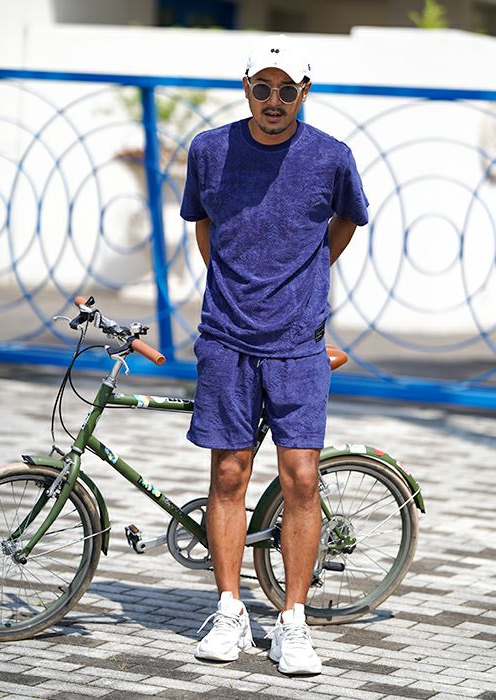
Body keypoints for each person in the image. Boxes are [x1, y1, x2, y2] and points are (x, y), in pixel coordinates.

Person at [180, 33, 369, 675]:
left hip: (297, 343)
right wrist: (235, 283)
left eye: (287, 90)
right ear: (246, 89)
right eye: (262, 87)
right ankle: (229, 610)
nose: (273, 100)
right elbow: (204, 223)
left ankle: (294, 622)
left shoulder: (331, 157)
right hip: (227, 339)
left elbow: (346, 220)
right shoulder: (209, 151)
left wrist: (308, 274)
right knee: (228, 476)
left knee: (302, 479)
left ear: (304, 92)